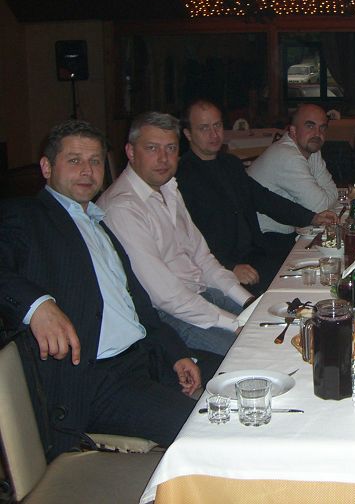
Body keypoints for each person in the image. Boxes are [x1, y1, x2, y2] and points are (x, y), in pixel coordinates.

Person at [0, 120, 217, 459]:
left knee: (239, 373)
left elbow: (140, 307)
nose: (87, 170)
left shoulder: (99, 225)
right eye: (74, 160)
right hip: (95, 379)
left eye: (96, 161)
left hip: (144, 359)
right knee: (208, 427)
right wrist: (37, 305)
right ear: (46, 167)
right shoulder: (27, 216)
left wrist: (176, 353)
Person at [98, 112, 254, 356]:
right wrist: (235, 324)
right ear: (130, 151)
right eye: (152, 148)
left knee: (276, 325)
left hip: (200, 296)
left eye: (170, 148)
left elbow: (203, 258)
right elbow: (165, 296)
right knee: (250, 353)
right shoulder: (123, 208)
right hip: (167, 316)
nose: (163, 158)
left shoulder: (169, 188)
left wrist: (249, 302)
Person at [176, 100, 336, 293]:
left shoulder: (230, 164)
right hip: (221, 267)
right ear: (188, 134)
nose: (214, 134)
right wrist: (230, 267)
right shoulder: (183, 177)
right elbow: (189, 236)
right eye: (204, 128)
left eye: (217, 125)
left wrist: (312, 217)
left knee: (314, 270)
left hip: (255, 252)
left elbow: (263, 199)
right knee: (296, 284)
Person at [247, 103, 339, 243]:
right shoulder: (286, 155)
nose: (317, 134)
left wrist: (324, 198)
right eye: (310, 126)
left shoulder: (312, 150)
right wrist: (323, 198)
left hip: (287, 230)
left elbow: (333, 191)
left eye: (322, 128)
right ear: (293, 131)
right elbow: (319, 207)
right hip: (262, 238)